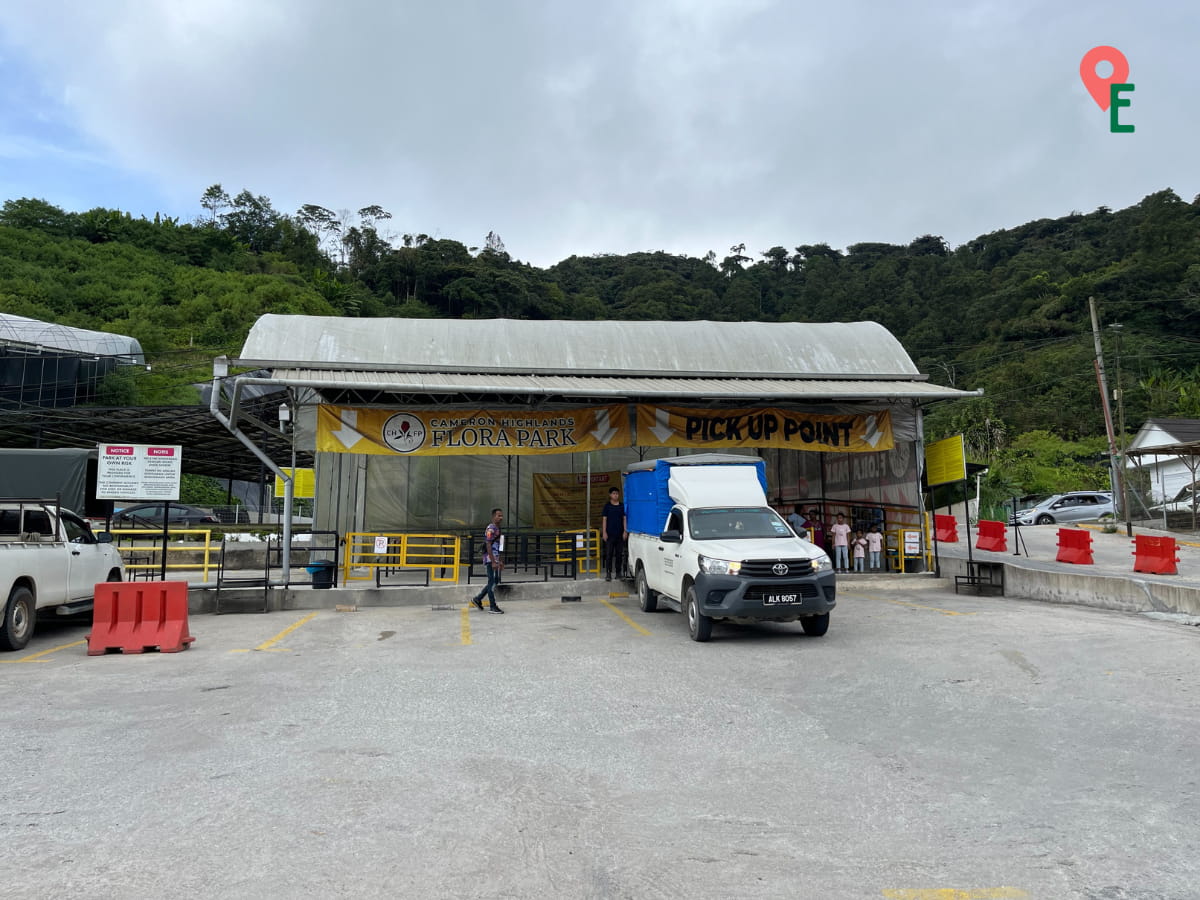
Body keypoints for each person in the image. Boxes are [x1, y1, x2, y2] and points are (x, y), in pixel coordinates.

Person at [470, 507, 505, 613]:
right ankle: (492, 606)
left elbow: (501, 546)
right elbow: (488, 544)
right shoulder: (491, 528)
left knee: (495, 581)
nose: (501, 518)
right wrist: (493, 561)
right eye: (498, 515)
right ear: (493, 516)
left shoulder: (499, 529)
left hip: (496, 558)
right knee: (492, 581)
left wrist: (501, 560)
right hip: (490, 559)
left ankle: (478, 598)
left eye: (501, 516)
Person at [601, 487, 627, 581]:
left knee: (619, 555)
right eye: (614, 493)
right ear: (610, 495)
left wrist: (625, 531)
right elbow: (604, 520)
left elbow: (624, 519)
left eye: (617, 493)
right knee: (609, 554)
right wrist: (604, 532)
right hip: (609, 535)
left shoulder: (622, 506)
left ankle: (618, 573)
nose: (616, 495)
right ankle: (608, 573)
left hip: (620, 535)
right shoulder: (607, 506)